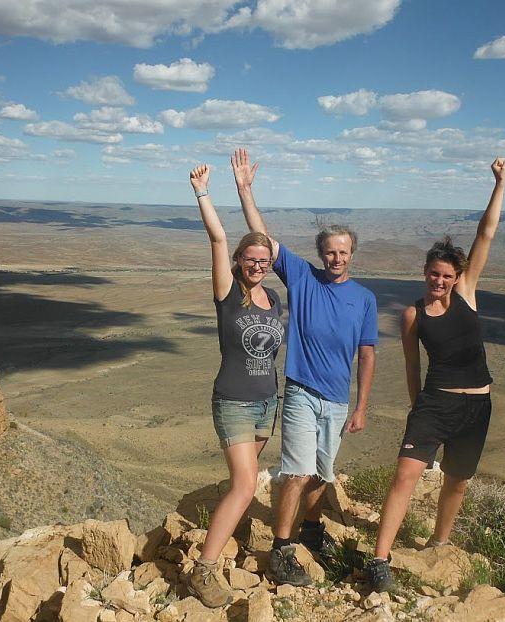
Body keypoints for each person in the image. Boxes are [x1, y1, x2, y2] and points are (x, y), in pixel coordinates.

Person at [230, 148, 378, 586]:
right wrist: (245, 190)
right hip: (300, 391)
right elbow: (262, 240)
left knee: (320, 472)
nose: (337, 258)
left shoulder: (365, 299)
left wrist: (362, 405)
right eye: (330, 252)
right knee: (296, 470)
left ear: (352, 254)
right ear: (321, 254)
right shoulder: (303, 277)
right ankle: (281, 549)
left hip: (336, 399)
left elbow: (367, 354)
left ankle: (312, 530)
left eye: (344, 252)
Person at [366, 158, 505, 593]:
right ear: (425, 272)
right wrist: (416, 407)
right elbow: (412, 365)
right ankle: (379, 560)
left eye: (447, 275)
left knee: (458, 482)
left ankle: (438, 543)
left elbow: (486, 233)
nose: (440, 280)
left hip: (477, 405)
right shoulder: (412, 314)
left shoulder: (467, 293)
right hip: (435, 403)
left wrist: (499, 184)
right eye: (434, 273)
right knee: (404, 476)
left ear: (456, 277)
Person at [187, 163, 286, 607]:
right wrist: (204, 192)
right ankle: (203, 570)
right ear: (239, 262)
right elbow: (218, 238)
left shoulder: (273, 298)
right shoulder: (228, 293)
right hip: (234, 402)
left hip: (268, 404)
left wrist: (251, 191)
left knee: (242, 482)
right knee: (246, 484)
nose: (258, 267)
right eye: (251, 261)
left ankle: (224, 533)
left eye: (264, 262)